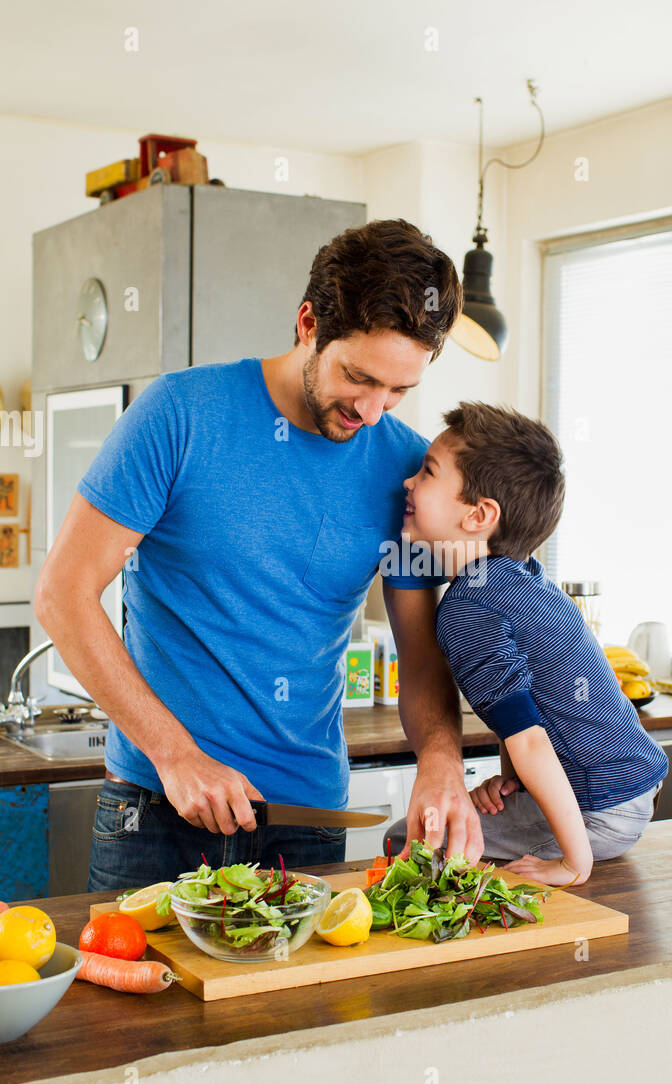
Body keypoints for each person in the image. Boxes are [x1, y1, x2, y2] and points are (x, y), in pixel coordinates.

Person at [34, 219, 483, 891]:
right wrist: (176, 754)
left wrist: (443, 761)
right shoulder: (178, 415)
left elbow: (420, 654)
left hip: (307, 819)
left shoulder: (409, 472)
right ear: (308, 323)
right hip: (158, 810)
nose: (372, 409)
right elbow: (62, 594)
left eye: (398, 392)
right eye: (358, 377)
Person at [383, 401, 668, 886]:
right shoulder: (517, 578)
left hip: (598, 809)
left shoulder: (469, 607)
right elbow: (530, 709)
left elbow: (531, 740)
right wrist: (512, 786)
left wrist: (574, 863)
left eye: (427, 473)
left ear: (478, 515)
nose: (408, 482)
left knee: (403, 842)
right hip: (628, 786)